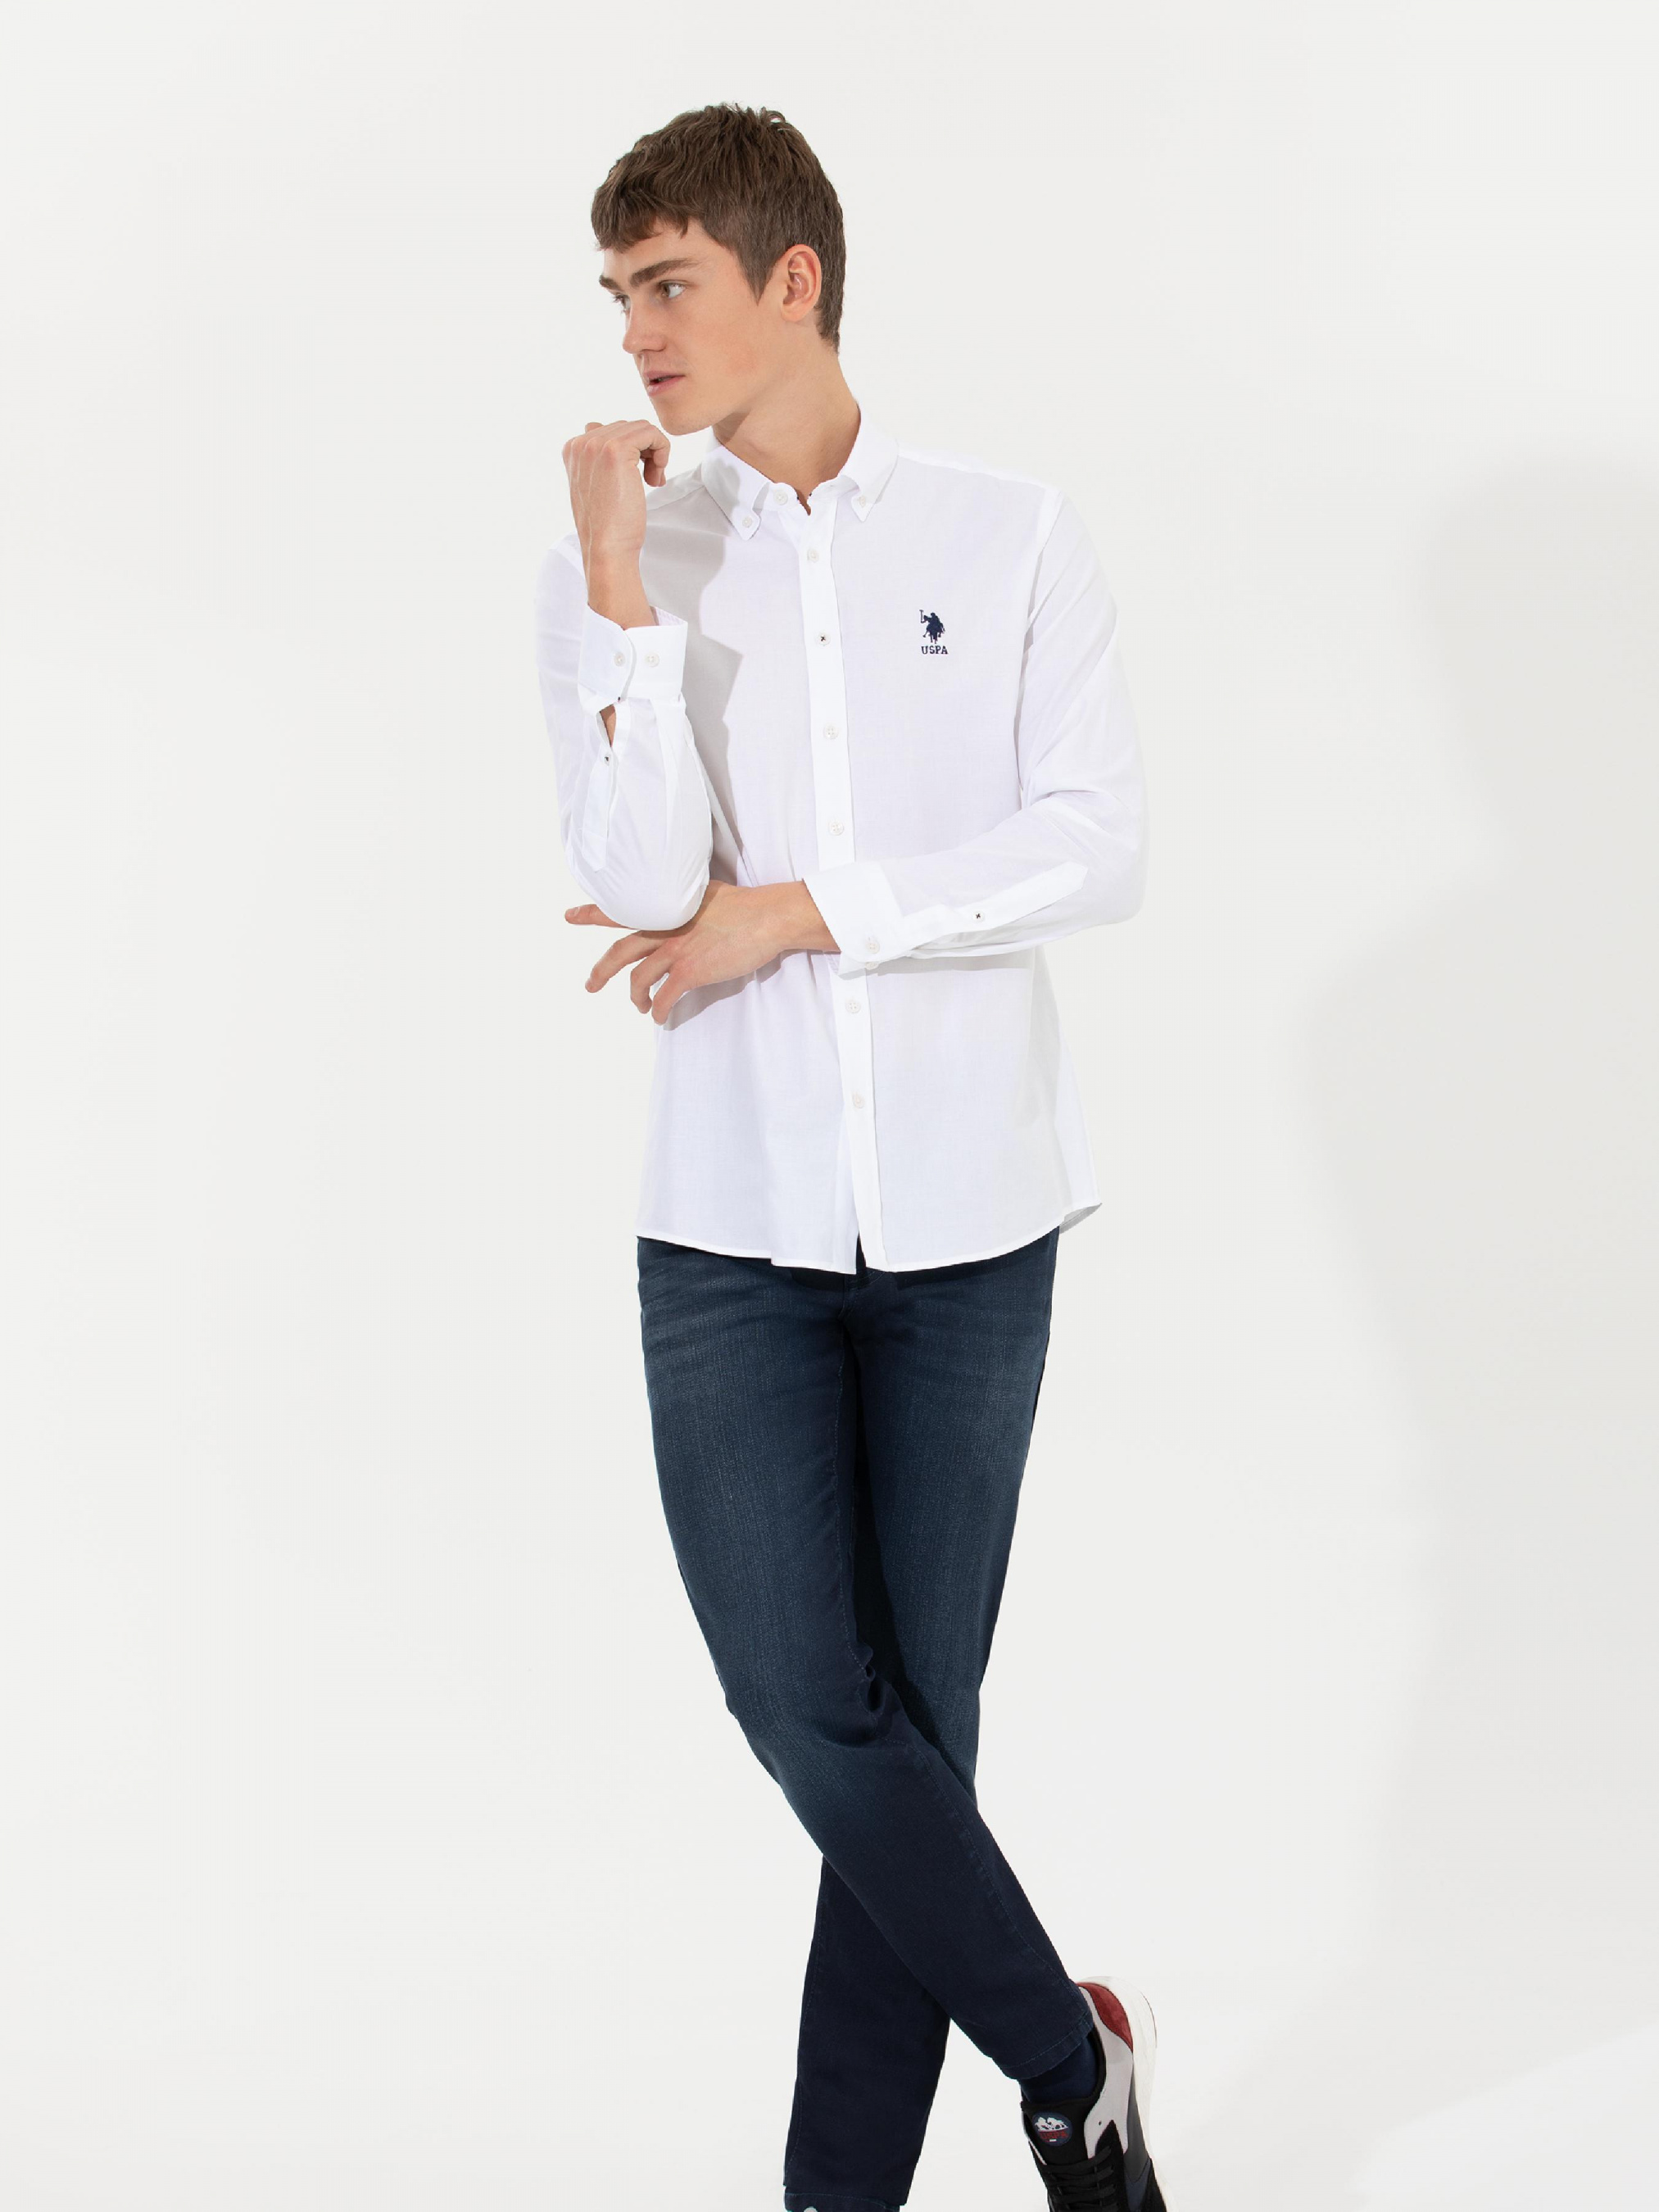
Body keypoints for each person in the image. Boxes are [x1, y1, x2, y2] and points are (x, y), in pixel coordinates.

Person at [533, 101, 1165, 2212]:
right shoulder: (622, 553)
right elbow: (641, 881)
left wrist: (795, 914)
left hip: (976, 1220)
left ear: (790, 280)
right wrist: (618, 593)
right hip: (731, 1226)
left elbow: (1093, 846)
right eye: (619, 293)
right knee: (817, 1713)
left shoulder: (1010, 536)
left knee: (916, 1735)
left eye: (668, 283)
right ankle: (1073, 2062)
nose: (636, 332)